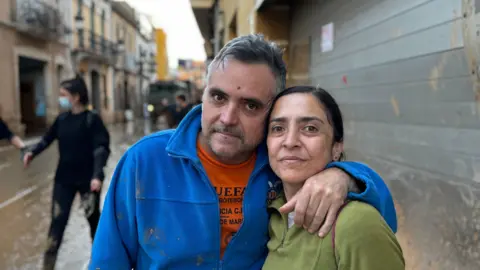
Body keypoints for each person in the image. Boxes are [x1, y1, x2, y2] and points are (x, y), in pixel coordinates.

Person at [89, 34, 396, 269]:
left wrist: (343, 175)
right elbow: (106, 262)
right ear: (204, 94)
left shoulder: (280, 166)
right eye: (218, 98)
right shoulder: (145, 161)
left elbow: (381, 214)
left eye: (250, 105)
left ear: (272, 110)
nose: (227, 118)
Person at [262, 86, 404, 270]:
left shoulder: (356, 223)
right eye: (278, 128)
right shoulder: (273, 212)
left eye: (310, 128)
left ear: (337, 147)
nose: (290, 142)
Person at [23, 75, 111, 270]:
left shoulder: (92, 120)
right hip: (63, 180)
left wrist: (97, 175)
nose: (60, 98)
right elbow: (47, 139)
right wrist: (31, 153)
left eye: (63, 95)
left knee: (94, 224)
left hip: (89, 181)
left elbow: (101, 149)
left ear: (76, 96)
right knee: (56, 224)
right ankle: (48, 266)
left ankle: (103, 263)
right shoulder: (61, 119)